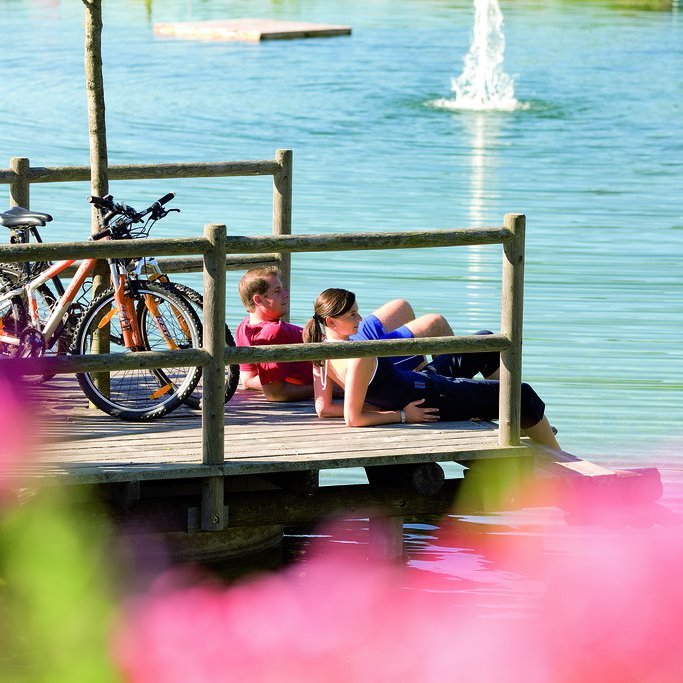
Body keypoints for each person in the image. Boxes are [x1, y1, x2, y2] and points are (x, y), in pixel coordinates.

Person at [301, 288, 561, 449]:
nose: (359, 319)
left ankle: (513, 420)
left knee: (484, 341)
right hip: (433, 398)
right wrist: (402, 416)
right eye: (352, 316)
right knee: (521, 395)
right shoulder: (358, 355)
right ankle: (561, 463)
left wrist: (377, 406)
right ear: (330, 321)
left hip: (421, 382)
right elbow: (353, 419)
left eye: (358, 313)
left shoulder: (320, 350)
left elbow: (324, 409)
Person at [235, 266, 456, 402]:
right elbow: (275, 393)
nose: (286, 293)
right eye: (277, 291)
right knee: (435, 323)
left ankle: (420, 373)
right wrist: (331, 388)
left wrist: (269, 380)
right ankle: (444, 390)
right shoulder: (273, 332)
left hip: (341, 338)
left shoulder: (244, 327)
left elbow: (247, 380)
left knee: (401, 306)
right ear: (258, 300)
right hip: (349, 360)